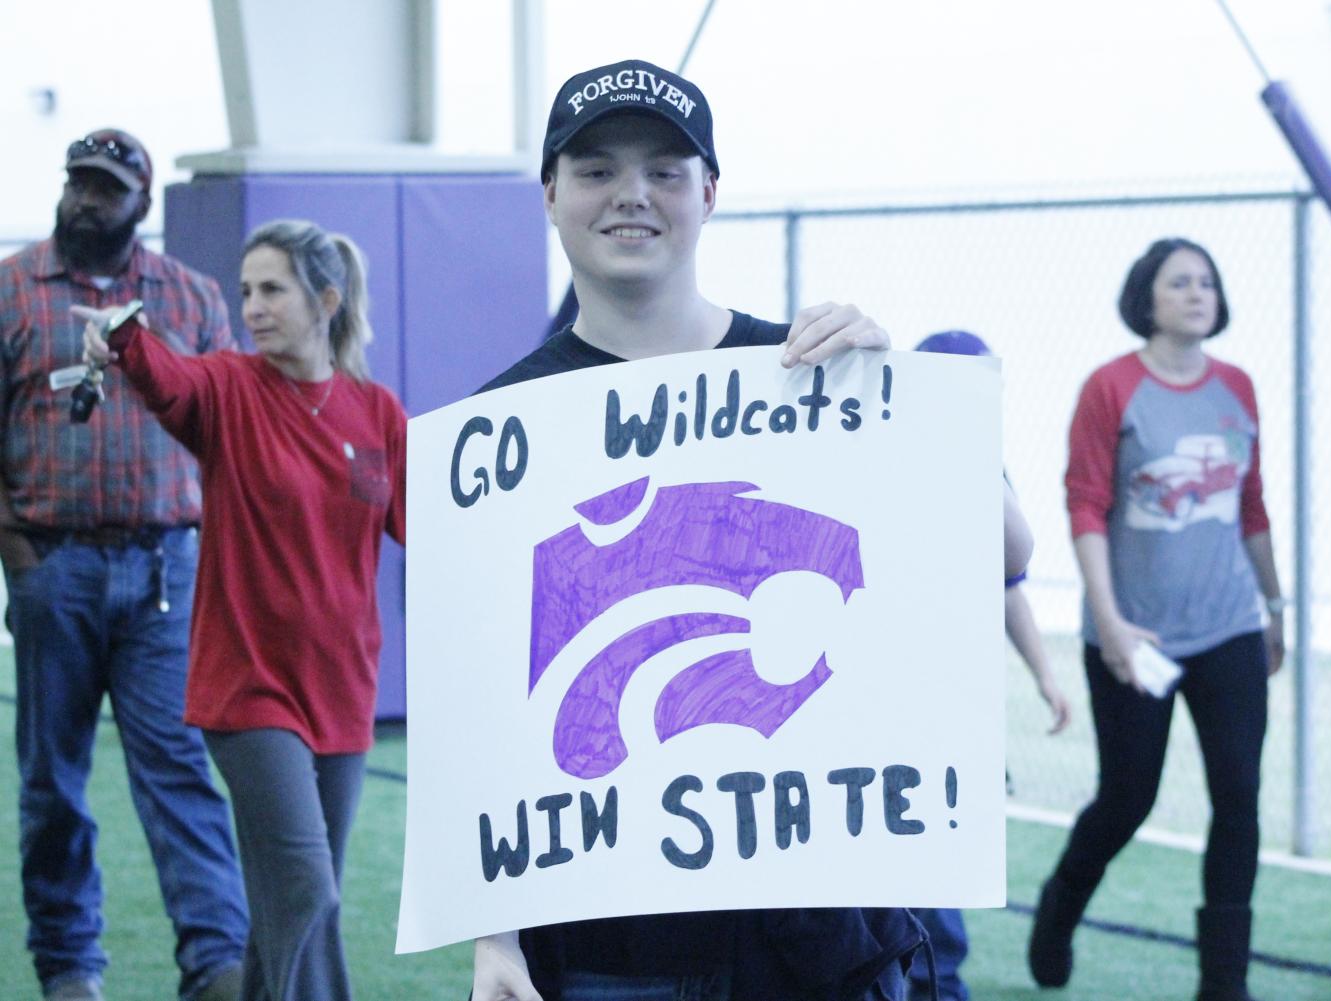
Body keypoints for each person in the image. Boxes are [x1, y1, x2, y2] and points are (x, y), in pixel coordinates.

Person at [468, 59, 1034, 1001]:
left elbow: (1006, 554)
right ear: (551, 195)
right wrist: (495, 935)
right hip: (612, 936)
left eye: (664, 170)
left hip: (816, 929)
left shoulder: (814, 370)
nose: (631, 196)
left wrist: (904, 403)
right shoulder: (501, 430)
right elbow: (484, 699)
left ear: (709, 193)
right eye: (597, 169)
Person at [77, 219, 406, 1001]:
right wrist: (125, 338)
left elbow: (430, 522)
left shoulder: (377, 412)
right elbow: (169, 382)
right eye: (246, 290)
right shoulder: (227, 387)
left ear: (325, 299)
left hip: (344, 689)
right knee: (308, 890)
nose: (251, 306)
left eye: (271, 290)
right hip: (250, 688)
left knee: (279, 907)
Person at [0, 129, 247, 1001]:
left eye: (106, 188)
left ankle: (217, 962)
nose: (86, 200)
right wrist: (15, 545)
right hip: (52, 566)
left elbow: (230, 428)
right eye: (78, 183)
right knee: (52, 781)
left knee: (180, 771)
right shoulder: (11, 290)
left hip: (165, 573)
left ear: (142, 203)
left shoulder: (189, 297)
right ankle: (69, 967)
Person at [1027, 238, 1285, 1001]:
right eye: (1179, 283)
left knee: (1237, 794)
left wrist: (1274, 607)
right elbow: (1085, 504)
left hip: (1230, 627)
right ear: (1147, 298)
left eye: (1206, 281)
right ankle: (1059, 905)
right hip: (1133, 635)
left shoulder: (1236, 387)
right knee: (1127, 798)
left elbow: (1251, 505)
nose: (1196, 293)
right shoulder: (1110, 387)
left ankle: (1222, 983)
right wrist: (1107, 620)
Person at [908, 330, 1070, 1001]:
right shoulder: (888, 454)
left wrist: (1044, 673)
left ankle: (938, 982)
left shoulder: (985, 469)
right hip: (895, 704)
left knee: (943, 862)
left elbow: (1008, 579)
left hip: (955, 708)